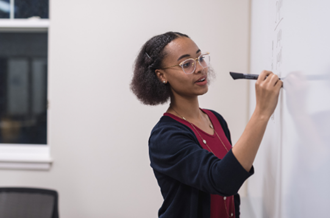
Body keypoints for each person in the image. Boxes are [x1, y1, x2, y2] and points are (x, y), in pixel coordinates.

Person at [130, 32, 282, 218]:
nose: (201, 68)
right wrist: (262, 113)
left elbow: (230, 192)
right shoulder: (164, 137)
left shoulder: (215, 119)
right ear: (162, 76)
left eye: (200, 58)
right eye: (187, 64)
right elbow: (223, 181)